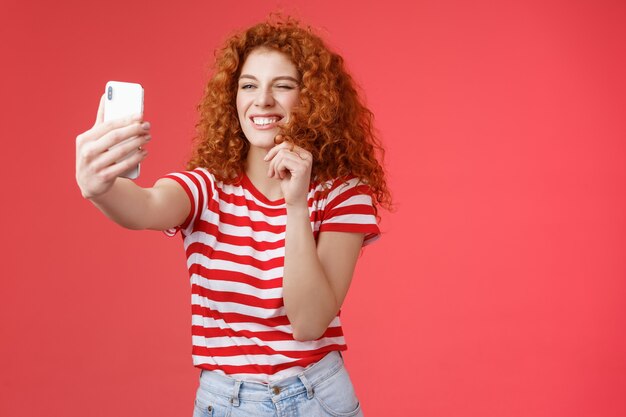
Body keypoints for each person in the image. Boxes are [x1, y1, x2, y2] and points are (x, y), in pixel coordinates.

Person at [75, 16, 391, 417]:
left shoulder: (343, 193)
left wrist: (296, 205)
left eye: (283, 86)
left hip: (318, 398)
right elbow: (146, 207)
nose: (262, 100)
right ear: (233, 99)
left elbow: (309, 322)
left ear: (313, 99)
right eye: (248, 85)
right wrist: (98, 187)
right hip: (225, 403)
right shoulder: (207, 189)